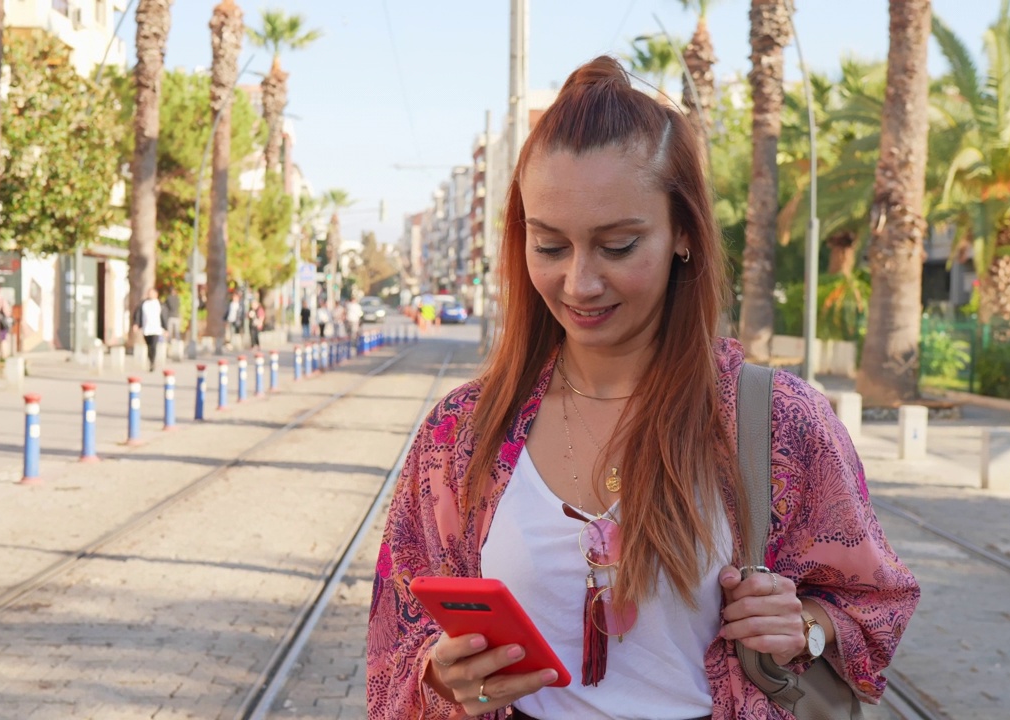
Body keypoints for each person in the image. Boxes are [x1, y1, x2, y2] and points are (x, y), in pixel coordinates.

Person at [366, 57, 919, 719]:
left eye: (619, 245)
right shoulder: (460, 435)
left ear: (683, 233)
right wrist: (439, 674)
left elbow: (875, 598)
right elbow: (396, 636)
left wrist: (803, 624)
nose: (580, 283)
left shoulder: (778, 421)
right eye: (549, 246)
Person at [133, 288, 165, 371]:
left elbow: (163, 317)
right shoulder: (143, 303)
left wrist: (165, 328)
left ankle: (152, 362)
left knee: (154, 345)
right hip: (146, 328)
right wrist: (136, 324)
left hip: (156, 329)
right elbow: (138, 314)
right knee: (149, 345)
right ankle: (150, 359)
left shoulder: (159, 304)